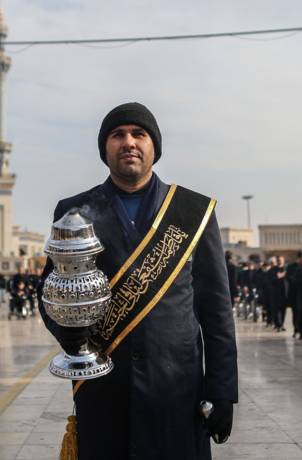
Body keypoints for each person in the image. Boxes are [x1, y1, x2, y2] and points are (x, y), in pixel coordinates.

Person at [38, 103, 237, 459]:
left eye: (138, 134)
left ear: (154, 147)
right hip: (103, 383)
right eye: (118, 135)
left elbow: (216, 309)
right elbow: (51, 292)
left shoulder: (192, 211)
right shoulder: (74, 212)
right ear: (105, 149)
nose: (128, 142)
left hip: (175, 386)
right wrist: (66, 332)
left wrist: (222, 389)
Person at [285, 253, 302, 338]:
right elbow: (288, 277)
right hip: (294, 293)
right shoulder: (291, 267)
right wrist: (295, 280)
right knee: (295, 313)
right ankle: (296, 329)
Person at [267, 256, 287, 332]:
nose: (279, 262)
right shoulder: (272, 270)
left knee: (283, 310)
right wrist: (277, 277)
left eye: (281, 260)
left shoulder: (286, 269)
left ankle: (282, 324)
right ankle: (278, 325)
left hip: (284, 293)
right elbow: (268, 281)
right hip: (275, 294)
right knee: (276, 310)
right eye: (278, 260)